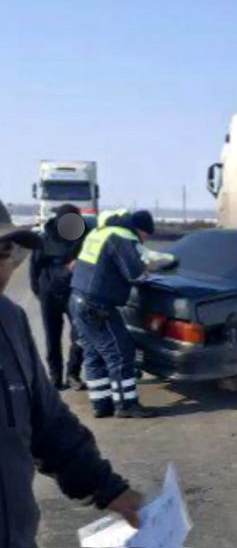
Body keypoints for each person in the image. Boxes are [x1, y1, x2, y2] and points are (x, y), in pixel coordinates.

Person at [0, 200, 142, 546]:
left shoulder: (10, 320)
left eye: (4, 251)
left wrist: (107, 489)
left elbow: (49, 423)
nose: (3, 269)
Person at [70, 209, 158, 419]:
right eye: (146, 236)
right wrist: (148, 268)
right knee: (120, 352)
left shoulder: (100, 232)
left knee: (94, 353)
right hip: (97, 306)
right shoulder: (123, 237)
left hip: (77, 300)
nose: (144, 241)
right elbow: (134, 274)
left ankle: (101, 403)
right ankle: (126, 404)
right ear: (140, 229)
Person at [29, 203, 88, 390]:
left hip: (74, 293)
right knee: (52, 337)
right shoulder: (46, 238)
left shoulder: (85, 238)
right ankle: (55, 377)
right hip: (49, 293)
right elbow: (34, 268)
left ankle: (73, 374)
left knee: (80, 335)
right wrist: (40, 291)